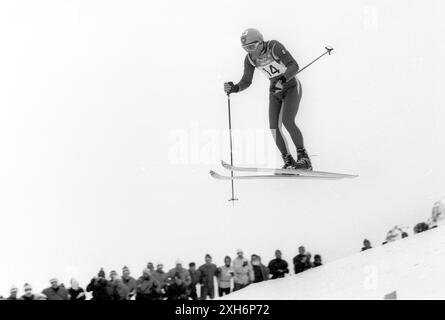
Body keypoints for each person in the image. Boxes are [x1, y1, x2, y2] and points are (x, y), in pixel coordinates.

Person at [224, 28, 311, 170]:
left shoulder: (274, 47)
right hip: (275, 90)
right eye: (246, 49)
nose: (250, 51)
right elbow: (246, 81)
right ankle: (288, 161)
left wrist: (282, 80)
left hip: (291, 86)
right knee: (274, 127)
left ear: (260, 42)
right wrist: (234, 88)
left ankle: (304, 158)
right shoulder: (250, 59)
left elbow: (294, 66)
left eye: (251, 47)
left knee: (288, 121)